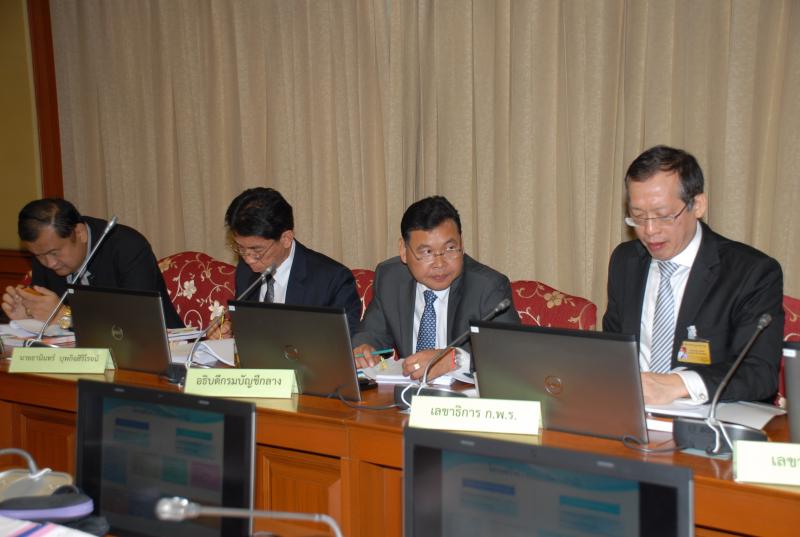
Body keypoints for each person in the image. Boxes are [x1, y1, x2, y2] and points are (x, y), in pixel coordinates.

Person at [603, 145, 783, 404]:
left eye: (663, 216)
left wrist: (677, 384)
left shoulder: (751, 271)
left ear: (697, 205)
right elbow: (613, 349)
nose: (650, 231)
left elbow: (759, 373)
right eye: (638, 217)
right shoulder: (625, 261)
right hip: (630, 412)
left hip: (708, 415)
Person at [352, 196, 520, 381]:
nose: (440, 264)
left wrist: (453, 359)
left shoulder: (488, 286)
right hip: (407, 392)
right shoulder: (390, 278)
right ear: (403, 251)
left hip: (464, 396)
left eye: (450, 248)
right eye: (427, 252)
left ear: (461, 244)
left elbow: (510, 357)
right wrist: (364, 348)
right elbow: (371, 334)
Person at [2, 198, 182, 328]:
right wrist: (28, 316)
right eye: (39, 256)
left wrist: (65, 317)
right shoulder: (45, 253)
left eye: (54, 253)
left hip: (161, 353)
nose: (49, 263)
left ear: (80, 233)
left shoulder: (128, 247)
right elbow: (48, 321)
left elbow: (136, 322)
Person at [213, 187, 361, 337]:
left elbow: (343, 344)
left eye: (257, 251)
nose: (248, 259)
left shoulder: (332, 280)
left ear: (286, 239)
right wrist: (231, 332)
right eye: (240, 248)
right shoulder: (245, 271)